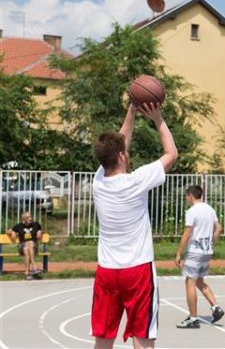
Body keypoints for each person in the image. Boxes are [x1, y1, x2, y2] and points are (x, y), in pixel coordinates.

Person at [91, 102, 177, 349]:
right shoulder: (136, 181)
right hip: (137, 270)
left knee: (103, 338)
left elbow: (121, 142)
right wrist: (158, 118)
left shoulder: (98, 181)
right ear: (121, 156)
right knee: (142, 337)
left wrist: (131, 110)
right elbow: (171, 154)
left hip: (107, 271)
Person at [175, 185, 225, 328]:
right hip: (206, 251)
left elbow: (187, 233)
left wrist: (179, 252)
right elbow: (219, 228)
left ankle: (193, 318)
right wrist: (211, 243)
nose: (186, 199)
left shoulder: (192, 211)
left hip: (195, 251)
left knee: (189, 282)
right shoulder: (210, 209)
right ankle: (216, 307)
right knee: (199, 281)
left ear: (190, 195)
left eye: (186, 196)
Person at [6, 211, 43, 280]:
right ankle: (34, 266)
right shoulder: (18, 226)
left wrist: (40, 231)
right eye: (28, 217)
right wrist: (12, 232)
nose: (30, 219)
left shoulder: (36, 225)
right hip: (22, 246)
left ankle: (27, 273)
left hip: (34, 247)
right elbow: (7, 231)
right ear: (23, 219)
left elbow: (41, 231)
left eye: (30, 217)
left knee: (28, 246)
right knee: (27, 245)